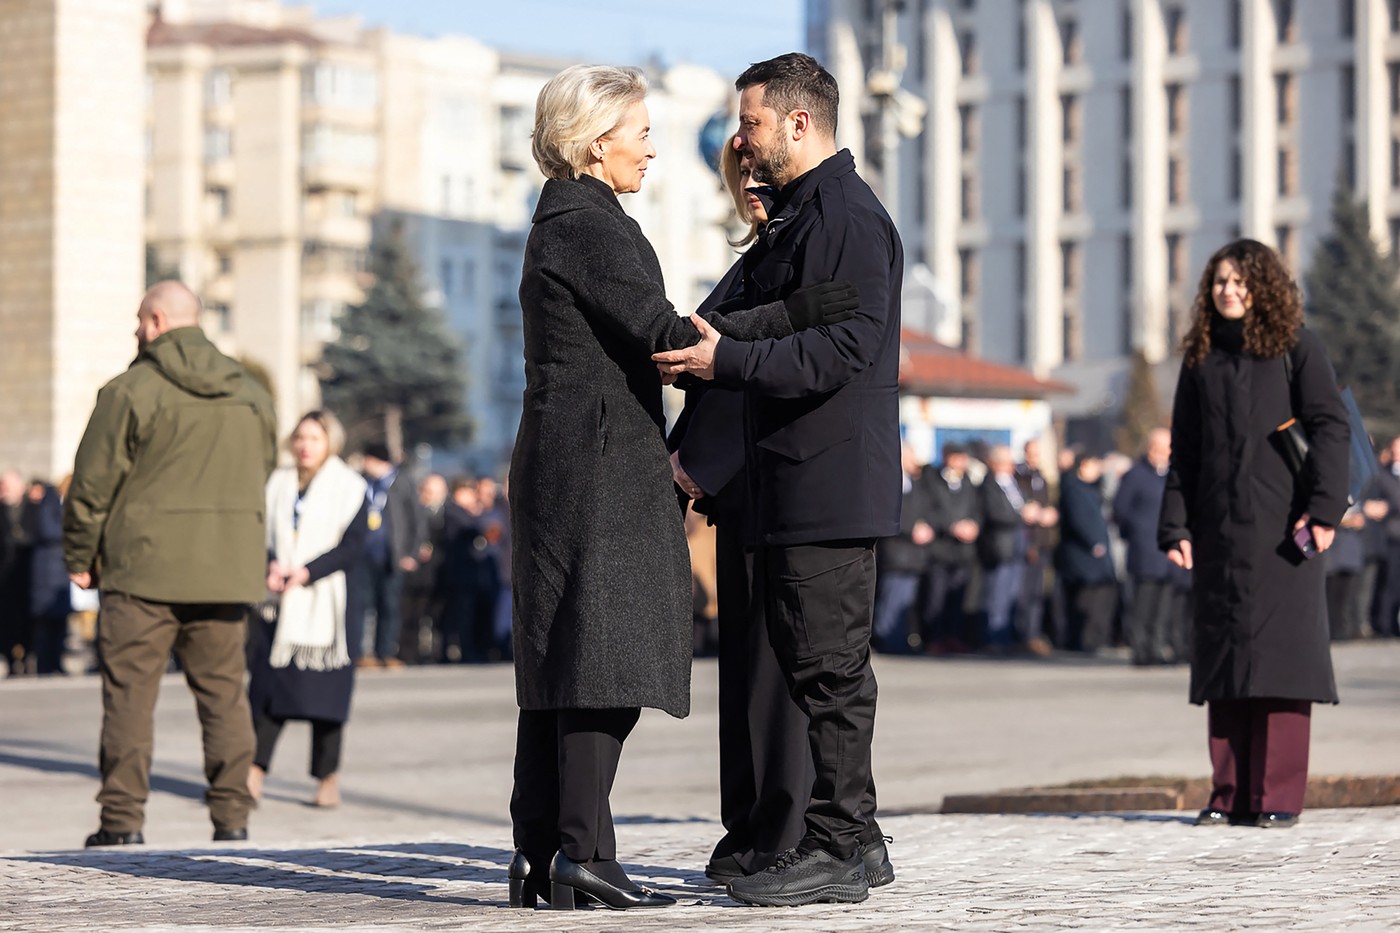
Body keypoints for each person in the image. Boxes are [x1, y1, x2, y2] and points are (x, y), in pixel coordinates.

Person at [506, 64, 850, 911]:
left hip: (569, 457)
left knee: (563, 657)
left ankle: (540, 849)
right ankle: (583, 851)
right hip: (600, 465)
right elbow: (665, 336)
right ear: (596, 143)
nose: (652, 149)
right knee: (601, 660)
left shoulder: (564, 220)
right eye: (641, 133)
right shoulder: (590, 225)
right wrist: (797, 311)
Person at [653, 51, 903, 907]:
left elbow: (844, 347)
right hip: (794, 483)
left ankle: (835, 846)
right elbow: (788, 318)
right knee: (813, 666)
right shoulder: (807, 217)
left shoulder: (847, 217)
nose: (741, 140)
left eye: (751, 122)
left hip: (826, 485)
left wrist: (723, 359)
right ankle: (857, 838)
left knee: (830, 674)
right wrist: (706, 344)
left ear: (800, 122)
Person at [667, 141, 845, 884]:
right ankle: (748, 827)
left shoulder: (790, 253)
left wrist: (695, 462)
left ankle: (777, 832)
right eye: (739, 175)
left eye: (758, 172)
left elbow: (759, 373)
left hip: (763, 478)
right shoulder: (757, 258)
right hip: (738, 490)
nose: (750, 185)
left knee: (776, 673)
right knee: (744, 671)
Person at [63, 280, 277, 846]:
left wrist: (80, 555)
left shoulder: (128, 391)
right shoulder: (251, 393)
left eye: (140, 320)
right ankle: (232, 819)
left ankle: (122, 823)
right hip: (226, 572)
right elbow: (262, 467)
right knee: (225, 698)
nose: (136, 331)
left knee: (130, 700)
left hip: (141, 571)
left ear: (156, 321)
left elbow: (91, 485)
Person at [1159, 238, 1349, 829]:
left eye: (1240, 281)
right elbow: (1185, 450)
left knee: (1281, 662)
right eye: (1220, 281)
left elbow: (1331, 427)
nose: (1229, 290)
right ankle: (1229, 794)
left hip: (1285, 532)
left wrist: (1323, 511)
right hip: (1218, 531)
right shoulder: (1201, 358)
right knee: (1226, 661)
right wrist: (1175, 523)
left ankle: (1276, 796)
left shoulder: (1297, 347)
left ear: (1263, 287)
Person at [248, 411, 368, 810]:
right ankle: (254, 771)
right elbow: (261, 532)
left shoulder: (349, 486)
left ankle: (327, 777)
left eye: (314, 438)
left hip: (329, 607)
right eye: (300, 437)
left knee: (327, 700)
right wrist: (271, 564)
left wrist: (308, 571)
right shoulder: (278, 482)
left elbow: (352, 546)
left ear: (329, 442)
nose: (305, 446)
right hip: (280, 603)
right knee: (267, 693)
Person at [1113, 428, 1191, 665]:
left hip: (1169, 554)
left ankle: (1158, 646)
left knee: (1164, 606)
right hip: (1145, 551)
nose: (1164, 452)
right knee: (1143, 604)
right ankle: (1140, 649)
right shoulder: (1135, 475)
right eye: (1160, 447)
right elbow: (1120, 510)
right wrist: (1136, 533)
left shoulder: (1172, 475)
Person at [353, 442, 424, 669]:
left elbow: (417, 519)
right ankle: (362, 653)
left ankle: (386, 651)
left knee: (389, 605)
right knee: (363, 605)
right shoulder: (360, 482)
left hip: (392, 556)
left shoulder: (402, 482)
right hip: (363, 556)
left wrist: (411, 552)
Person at [873, 443, 934, 654]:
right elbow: (889, 514)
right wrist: (911, 529)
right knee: (891, 597)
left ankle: (900, 639)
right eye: (910, 456)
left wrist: (926, 525)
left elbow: (924, 509)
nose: (914, 461)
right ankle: (885, 638)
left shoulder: (915, 483)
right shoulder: (889, 482)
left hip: (914, 554)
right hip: (896, 551)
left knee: (906, 599)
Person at [1057, 450, 1118, 653]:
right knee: (1082, 599)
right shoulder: (1073, 489)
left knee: (1096, 599)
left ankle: (1092, 638)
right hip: (1082, 554)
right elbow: (1078, 519)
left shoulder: (1092, 489)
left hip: (1095, 554)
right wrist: (1093, 542)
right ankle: (1079, 640)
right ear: (1083, 465)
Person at [923, 443, 980, 653]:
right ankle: (933, 638)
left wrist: (974, 525)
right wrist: (951, 526)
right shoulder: (932, 480)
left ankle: (953, 636)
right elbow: (929, 510)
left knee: (957, 598)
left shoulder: (968, 482)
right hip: (940, 549)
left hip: (963, 552)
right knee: (936, 597)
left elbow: (977, 509)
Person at [978, 445, 1026, 653]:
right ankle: (994, 637)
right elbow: (995, 513)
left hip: (1016, 544)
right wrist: (1022, 515)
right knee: (996, 594)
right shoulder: (989, 484)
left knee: (1011, 593)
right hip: (999, 546)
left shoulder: (1012, 483)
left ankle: (1007, 635)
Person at [399, 473, 448, 663]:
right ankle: (408, 653)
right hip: (415, 574)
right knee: (410, 615)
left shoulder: (447, 514)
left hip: (439, 573)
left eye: (436, 492)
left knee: (436, 616)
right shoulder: (414, 512)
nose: (430, 496)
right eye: (428, 491)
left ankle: (435, 653)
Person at [23, 479, 70, 675]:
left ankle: (50, 663)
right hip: (49, 577)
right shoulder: (49, 508)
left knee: (53, 624)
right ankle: (48, 663)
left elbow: (48, 530)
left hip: (51, 576)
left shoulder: (47, 507)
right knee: (47, 624)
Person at [1015, 440, 1058, 654]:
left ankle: (1033, 633)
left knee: (1037, 594)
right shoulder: (1019, 476)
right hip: (1026, 541)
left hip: (1042, 542)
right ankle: (1022, 635)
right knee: (1022, 593)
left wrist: (1050, 512)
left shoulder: (1042, 477)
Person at [0, 469, 32, 675]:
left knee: (27, 620)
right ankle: (10, 658)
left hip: (29, 575)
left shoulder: (32, 507)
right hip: (4, 576)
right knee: (6, 620)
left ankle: (27, 657)